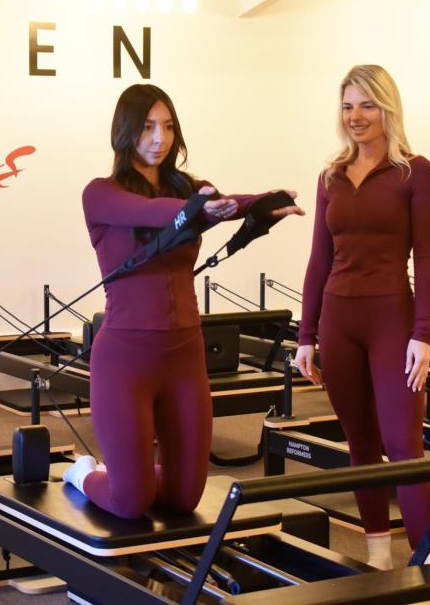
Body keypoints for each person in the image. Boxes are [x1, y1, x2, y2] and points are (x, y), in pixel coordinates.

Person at [64, 84, 303, 519]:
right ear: (125, 131)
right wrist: (196, 210)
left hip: (184, 356)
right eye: (148, 127)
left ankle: (135, 473)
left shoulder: (192, 190)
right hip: (125, 359)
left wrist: (266, 203)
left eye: (168, 127)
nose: (160, 138)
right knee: (130, 502)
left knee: (183, 497)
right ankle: (83, 474)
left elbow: (224, 204)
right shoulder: (100, 194)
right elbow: (148, 212)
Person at [293, 65, 430, 569]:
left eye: (367, 105)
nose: (355, 116)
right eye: (347, 106)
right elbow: (319, 260)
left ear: (387, 108)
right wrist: (306, 335)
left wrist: (423, 334)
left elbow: (426, 260)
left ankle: (428, 568)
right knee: (360, 444)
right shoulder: (330, 176)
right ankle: (378, 558)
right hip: (338, 321)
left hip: (391, 320)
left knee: (403, 446)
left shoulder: (415, 173)